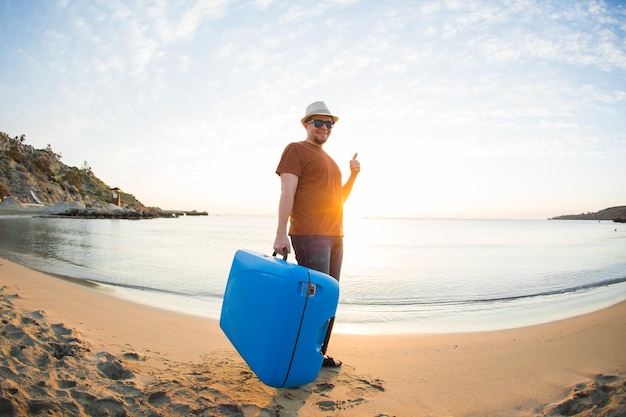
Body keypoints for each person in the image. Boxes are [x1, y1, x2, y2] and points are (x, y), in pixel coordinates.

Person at [273, 101, 360, 368]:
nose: (325, 127)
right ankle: (299, 355)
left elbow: (339, 199)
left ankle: (317, 354)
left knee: (327, 299)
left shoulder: (331, 162)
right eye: (319, 122)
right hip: (310, 234)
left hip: (336, 236)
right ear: (306, 124)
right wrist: (280, 233)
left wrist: (353, 176)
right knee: (313, 299)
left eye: (329, 123)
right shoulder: (296, 150)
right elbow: (287, 191)